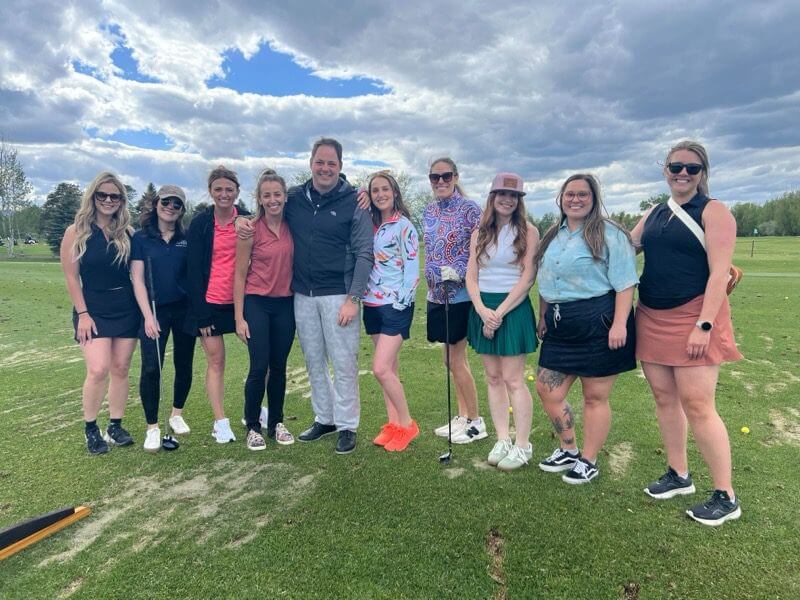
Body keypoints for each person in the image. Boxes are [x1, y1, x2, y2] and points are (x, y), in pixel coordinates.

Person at [237, 138, 373, 454]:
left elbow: (366, 252)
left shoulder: (355, 201)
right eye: (320, 162)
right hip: (301, 294)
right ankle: (324, 418)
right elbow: (265, 208)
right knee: (314, 361)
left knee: (343, 362)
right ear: (311, 162)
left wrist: (354, 298)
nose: (325, 168)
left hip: (339, 294)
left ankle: (347, 424)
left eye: (332, 163)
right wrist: (243, 219)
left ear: (340, 167)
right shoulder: (295, 197)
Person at [631, 140, 742, 526]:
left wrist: (704, 325)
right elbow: (627, 247)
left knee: (698, 405)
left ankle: (726, 495)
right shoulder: (654, 213)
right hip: (651, 316)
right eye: (675, 166)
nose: (682, 173)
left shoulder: (714, 211)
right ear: (665, 170)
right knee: (665, 399)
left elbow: (719, 273)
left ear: (702, 173)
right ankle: (678, 474)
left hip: (695, 316)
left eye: (691, 168)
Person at [535, 174, 638, 484]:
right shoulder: (553, 234)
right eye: (570, 194)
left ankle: (589, 459)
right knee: (546, 388)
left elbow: (625, 283)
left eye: (583, 194)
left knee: (594, 396)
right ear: (561, 198)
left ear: (594, 199)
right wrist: (542, 315)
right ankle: (568, 448)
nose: (575, 199)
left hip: (600, 321)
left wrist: (620, 324)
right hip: (558, 323)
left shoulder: (610, 233)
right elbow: (546, 278)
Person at [60, 171, 139, 454]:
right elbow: (71, 277)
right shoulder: (75, 232)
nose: (108, 200)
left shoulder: (128, 232)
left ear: (121, 200)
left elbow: (138, 275)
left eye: (114, 196)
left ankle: (115, 426)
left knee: (120, 368)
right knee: (97, 369)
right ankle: (91, 429)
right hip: (92, 310)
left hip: (126, 308)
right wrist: (83, 314)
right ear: (93, 197)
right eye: (102, 195)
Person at [466, 173, 539, 471]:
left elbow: (527, 278)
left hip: (513, 308)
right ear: (492, 197)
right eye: (501, 194)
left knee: (513, 379)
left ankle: (523, 445)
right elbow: (472, 275)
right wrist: (482, 309)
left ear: (519, 200)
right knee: (493, 378)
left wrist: (500, 312)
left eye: (513, 195)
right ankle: (502, 438)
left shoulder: (529, 231)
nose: (507, 200)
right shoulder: (479, 232)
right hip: (484, 307)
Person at [185, 165, 251, 444]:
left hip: (242, 303)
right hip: (209, 305)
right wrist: (200, 314)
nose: (224, 194)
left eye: (229, 189)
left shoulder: (247, 221)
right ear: (211, 191)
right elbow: (192, 270)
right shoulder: (201, 223)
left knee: (262, 357)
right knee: (216, 362)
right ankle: (220, 422)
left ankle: (254, 411)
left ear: (237, 191)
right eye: (218, 189)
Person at [233, 169, 296, 451]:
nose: (273, 200)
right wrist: (238, 318)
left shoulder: (293, 225)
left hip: (286, 304)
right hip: (257, 302)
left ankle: (277, 423)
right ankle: (252, 426)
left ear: (285, 196)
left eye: (277, 194)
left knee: (279, 367)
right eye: (267, 195)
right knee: (259, 366)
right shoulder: (249, 229)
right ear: (259, 198)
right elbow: (239, 275)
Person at [130, 185, 196, 452]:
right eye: (166, 202)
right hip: (154, 311)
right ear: (156, 203)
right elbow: (137, 278)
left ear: (181, 210)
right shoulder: (142, 238)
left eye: (177, 204)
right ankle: (152, 427)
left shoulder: (186, 237)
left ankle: (176, 414)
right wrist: (147, 316)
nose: (171, 207)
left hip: (184, 310)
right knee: (151, 368)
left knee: (184, 364)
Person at [424, 157, 485, 444]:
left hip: (459, 294)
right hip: (436, 295)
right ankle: (462, 416)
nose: (440, 182)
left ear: (456, 177)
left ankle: (475, 420)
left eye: (446, 176)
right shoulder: (429, 210)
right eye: (434, 177)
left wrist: (459, 272)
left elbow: (481, 249)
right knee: (449, 358)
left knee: (455, 358)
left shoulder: (470, 209)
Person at [362, 171, 420, 452]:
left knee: (380, 369)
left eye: (385, 189)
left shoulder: (404, 226)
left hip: (395, 305)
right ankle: (393, 424)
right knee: (391, 369)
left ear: (394, 192)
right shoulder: (370, 223)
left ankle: (408, 425)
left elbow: (412, 270)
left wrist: (402, 301)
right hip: (370, 304)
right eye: (375, 190)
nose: (380, 194)